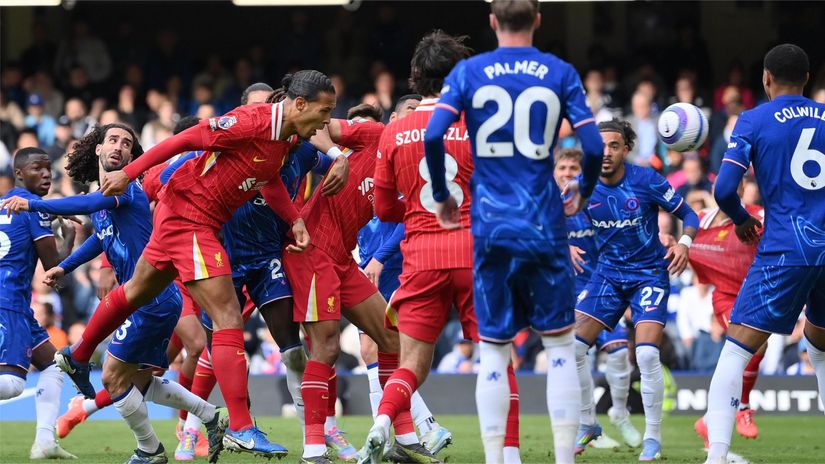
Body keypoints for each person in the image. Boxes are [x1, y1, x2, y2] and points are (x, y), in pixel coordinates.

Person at [52, 70, 335, 461]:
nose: (326, 122)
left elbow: (268, 179)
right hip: (192, 216)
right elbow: (184, 139)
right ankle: (241, 427)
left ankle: (77, 355)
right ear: (299, 104)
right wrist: (128, 174)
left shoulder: (287, 138)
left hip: (185, 217)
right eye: (324, 111)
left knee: (136, 291)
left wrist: (294, 219)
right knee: (227, 316)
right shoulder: (248, 122)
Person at [424, 1, 604, 462]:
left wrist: (443, 194)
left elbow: (433, 134)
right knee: (560, 345)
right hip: (544, 224)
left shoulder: (469, 72)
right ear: (537, 20)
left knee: (494, 351)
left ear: (492, 21)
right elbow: (593, 143)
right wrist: (582, 191)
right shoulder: (559, 72)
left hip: (491, 226)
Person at [4, 124, 224, 464]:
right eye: (113, 140)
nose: (119, 147)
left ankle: (149, 450)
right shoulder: (107, 196)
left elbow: (90, 202)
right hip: (146, 299)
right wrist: (67, 266)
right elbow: (100, 237)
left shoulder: (125, 188)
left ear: (132, 156)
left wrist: (35, 207)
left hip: (149, 299)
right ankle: (210, 415)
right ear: (98, 149)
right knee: (138, 381)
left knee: (111, 376)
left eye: (127, 143)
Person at [363, 31, 521, 464]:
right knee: (497, 356)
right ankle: (507, 456)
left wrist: (419, 211)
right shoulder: (479, 123)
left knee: (411, 363)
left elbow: (382, 208)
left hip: (421, 257)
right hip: (474, 252)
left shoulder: (394, 132)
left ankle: (381, 425)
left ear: (416, 76)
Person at [705, 43, 825, 464]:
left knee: (735, 352)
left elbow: (724, 189)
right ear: (807, 79)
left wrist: (741, 219)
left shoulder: (754, 119)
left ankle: (716, 457)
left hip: (785, 248)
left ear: (766, 78)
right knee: (820, 348)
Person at [572, 120, 698, 461]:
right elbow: (555, 220)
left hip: (648, 275)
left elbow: (690, 214)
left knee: (646, 355)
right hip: (607, 277)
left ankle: (652, 438)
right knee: (572, 350)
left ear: (626, 149)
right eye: (601, 146)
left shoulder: (645, 180)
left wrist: (683, 242)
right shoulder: (582, 185)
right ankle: (588, 423)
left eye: (614, 146)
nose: (606, 152)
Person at [554, 148, 641, 452]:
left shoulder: (596, 201)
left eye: (573, 168)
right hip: (563, 294)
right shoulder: (547, 205)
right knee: (576, 357)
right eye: (562, 167)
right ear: (554, 172)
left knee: (619, 352)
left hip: (600, 288)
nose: (567, 173)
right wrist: (560, 246)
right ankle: (588, 422)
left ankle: (619, 412)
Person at [0, 147, 76, 460]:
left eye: (48, 168)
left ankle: (44, 441)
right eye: (37, 168)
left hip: (15, 302)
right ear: (18, 173)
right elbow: (54, 273)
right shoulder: (34, 209)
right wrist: (69, 238)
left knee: (54, 365)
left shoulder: (4, 203)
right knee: (12, 384)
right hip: (9, 302)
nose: (46, 174)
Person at [689, 186, 765, 446]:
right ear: (714, 189)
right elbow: (686, 248)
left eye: (735, 182)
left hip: (757, 295)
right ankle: (742, 407)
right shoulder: (700, 220)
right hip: (726, 297)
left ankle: (709, 421)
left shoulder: (759, 216)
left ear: (742, 187)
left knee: (743, 355)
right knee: (751, 348)